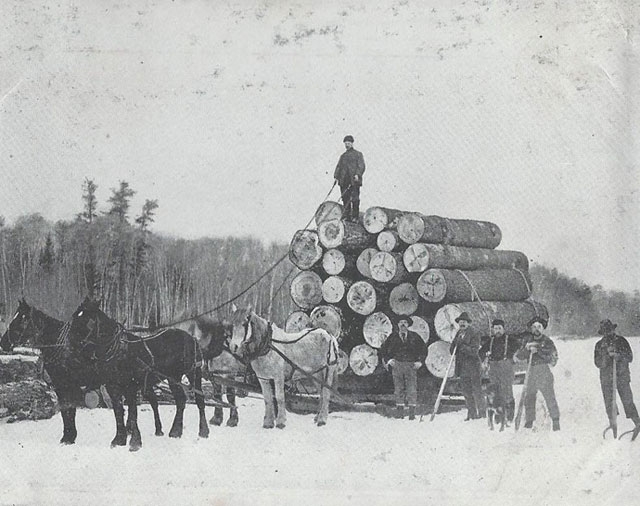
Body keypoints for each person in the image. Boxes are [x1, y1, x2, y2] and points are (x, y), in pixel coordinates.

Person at [594, 319, 640, 438]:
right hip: (606, 378)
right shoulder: (599, 345)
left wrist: (618, 356)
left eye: (609, 330)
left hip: (622, 376)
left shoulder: (621, 341)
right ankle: (612, 424)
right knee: (609, 403)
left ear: (613, 329)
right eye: (605, 331)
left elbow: (629, 357)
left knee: (627, 400)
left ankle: (637, 422)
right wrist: (606, 356)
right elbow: (597, 363)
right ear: (602, 332)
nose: (608, 333)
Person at [515, 316, 560, 431]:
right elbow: (519, 356)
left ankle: (555, 420)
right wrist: (526, 350)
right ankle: (529, 421)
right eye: (534, 327)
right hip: (531, 371)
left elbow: (553, 358)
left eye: (539, 327)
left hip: (543, 371)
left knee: (549, 396)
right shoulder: (527, 341)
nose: (536, 329)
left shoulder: (547, 342)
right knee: (529, 396)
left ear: (543, 328)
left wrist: (538, 351)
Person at [381, 319, 427, 420]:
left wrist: (420, 362)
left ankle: (411, 414)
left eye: (405, 322)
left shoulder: (414, 336)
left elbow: (424, 349)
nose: (402, 324)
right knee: (398, 389)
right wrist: (389, 360)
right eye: (400, 322)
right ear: (397, 324)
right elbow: (383, 349)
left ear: (408, 325)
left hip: (411, 366)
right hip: (397, 365)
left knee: (412, 389)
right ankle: (400, 413)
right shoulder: (392, 337)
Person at [479, 318, 520, 422]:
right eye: (495, 328)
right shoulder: (490, 341)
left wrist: (515, 356)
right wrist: (485, 359)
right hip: (493, 367)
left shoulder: (510, 340)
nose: (497, 331)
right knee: (496, 392)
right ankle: (498, 416)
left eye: (499, 328)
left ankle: (509, 416)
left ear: (503, 329)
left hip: (506, 366)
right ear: (492, 330)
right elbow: (481, 352)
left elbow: (520, 348)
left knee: (507, 391)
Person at [450, 312, 486, 420]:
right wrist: (456, 343)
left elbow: (474, 351)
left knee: (477, 391)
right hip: (462, 368)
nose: (462, 323)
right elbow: (452, 350)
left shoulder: (474, 333)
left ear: (468, 323)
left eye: (464, 322)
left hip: (473, 367)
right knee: (466, 392)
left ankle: (482, 413)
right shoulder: (458, 334)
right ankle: (471, 414)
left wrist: (461, 345)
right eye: (460, 322)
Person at [333, 135, 365, 222]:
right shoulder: (343, 156)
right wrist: (336, 177)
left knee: (355, 199)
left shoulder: (358, 154)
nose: (347, 145)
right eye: (345, 143)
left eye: (348, 143)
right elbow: (339, 167)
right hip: (344, 181)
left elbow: (361, 166)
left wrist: (357, 174)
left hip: (354, 181)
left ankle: (355, 217)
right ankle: (347, 216)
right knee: (345, 199)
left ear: (352, 143)